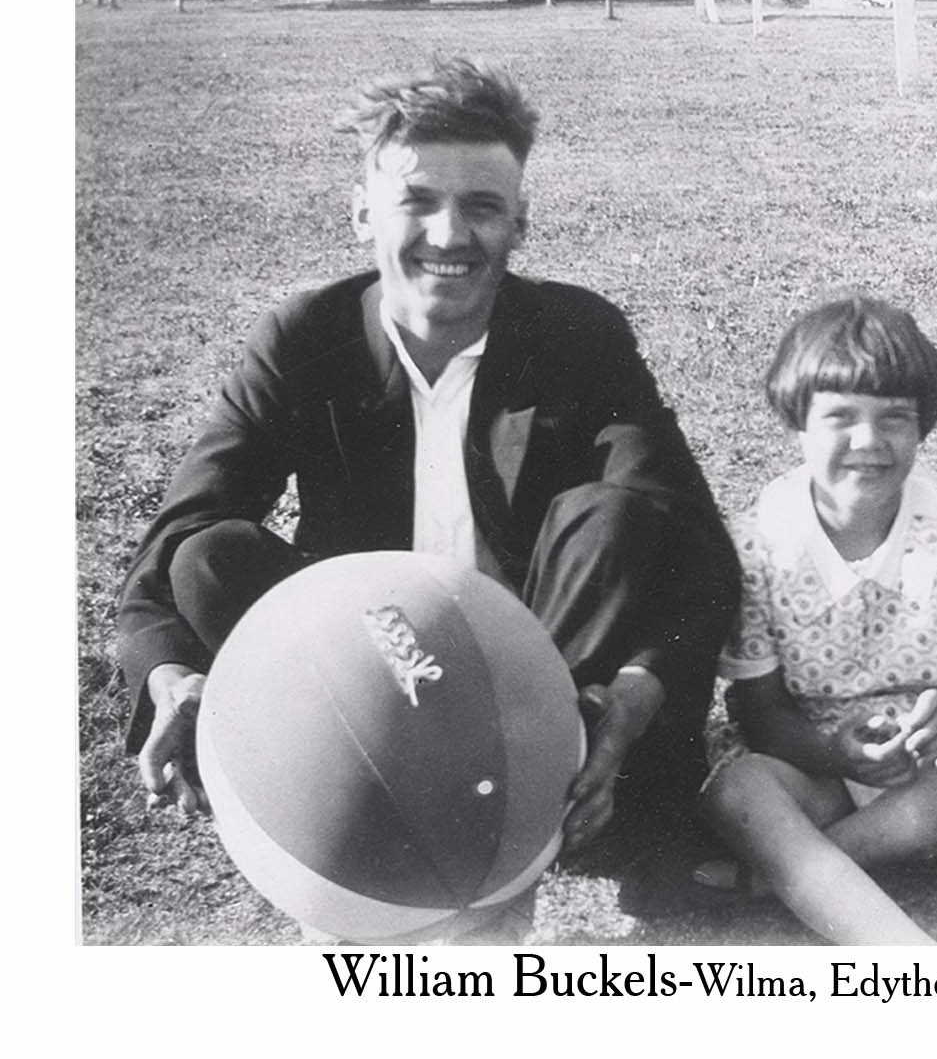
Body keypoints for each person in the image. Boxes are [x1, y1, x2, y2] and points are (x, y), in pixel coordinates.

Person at [114, 57, 740, 931]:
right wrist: (177, 679)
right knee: (209, 557)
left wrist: (634, 698)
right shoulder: (306, 337)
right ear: (362, 212)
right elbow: (173, 546)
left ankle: (526, 815)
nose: (450, 234)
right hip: (375, 669)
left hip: (541, 683)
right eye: (417, 200)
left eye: (482, 205)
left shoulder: (577, 333)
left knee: (617, 517)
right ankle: (346, 800)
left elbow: (696, 550)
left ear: (519, 221)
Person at [698, 297, 937, 944]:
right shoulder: (756, 544)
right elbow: (759, 713)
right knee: (739, 790)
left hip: (931, 773)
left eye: (894, 419)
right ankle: (902, 949)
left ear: (923, 425)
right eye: (840, 418)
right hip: (815, 767)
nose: (868, 442)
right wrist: (833, 753)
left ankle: (794, 873)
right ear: (797, 421)